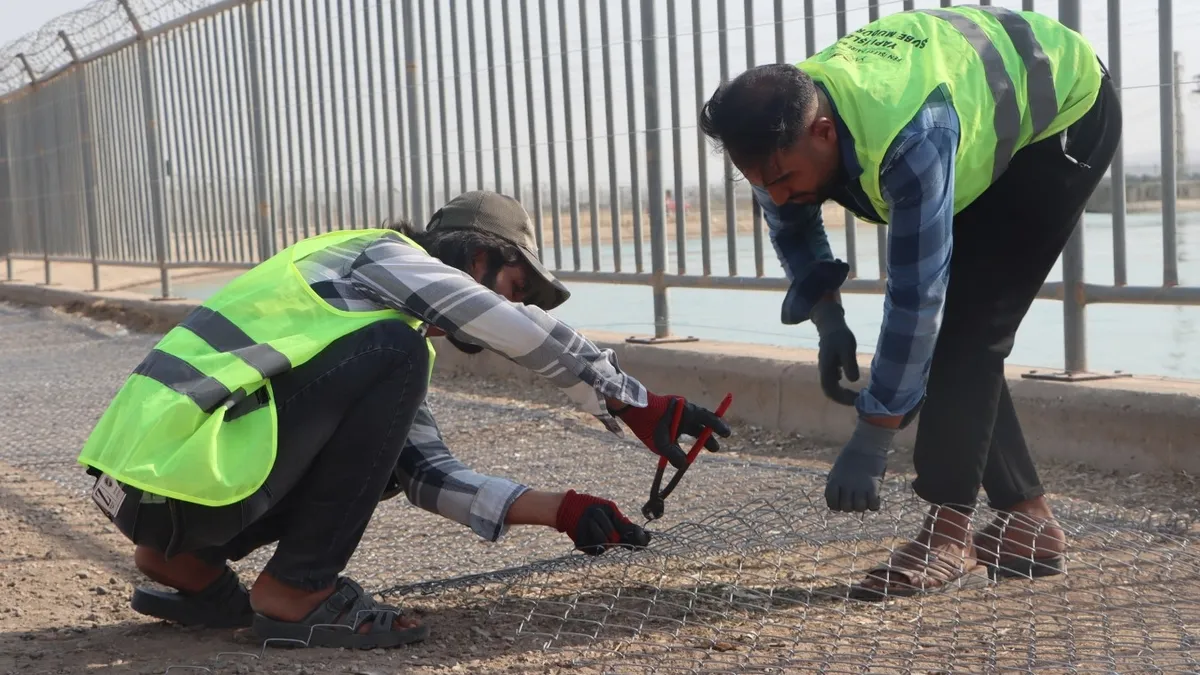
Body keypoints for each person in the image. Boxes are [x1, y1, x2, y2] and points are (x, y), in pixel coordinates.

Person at [77, 190, 732, 648]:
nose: (513, 305)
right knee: (401, 350)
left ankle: (183, 561)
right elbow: (493, 318)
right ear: (479, 257)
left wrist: (565, 511)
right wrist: (632, 400)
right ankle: (297, 592)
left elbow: (423, 472)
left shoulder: (363, 328)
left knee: (398, 371)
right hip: (175, 470)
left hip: (147, 484)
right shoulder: (378, 258)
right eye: (516, 287)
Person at [698, 5, 1120, 598]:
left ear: (823, 132)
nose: (778, 194)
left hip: (1062, 111)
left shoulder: (910, 138)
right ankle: (1029, 524)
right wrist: (827, 317)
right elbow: (790, 224)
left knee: (970, 328)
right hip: (969, 101)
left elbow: (919, 300)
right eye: (761, 184)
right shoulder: (780, 127)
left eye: (784, 178)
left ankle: (950, 534)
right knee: (960, 330)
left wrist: (874, 433)